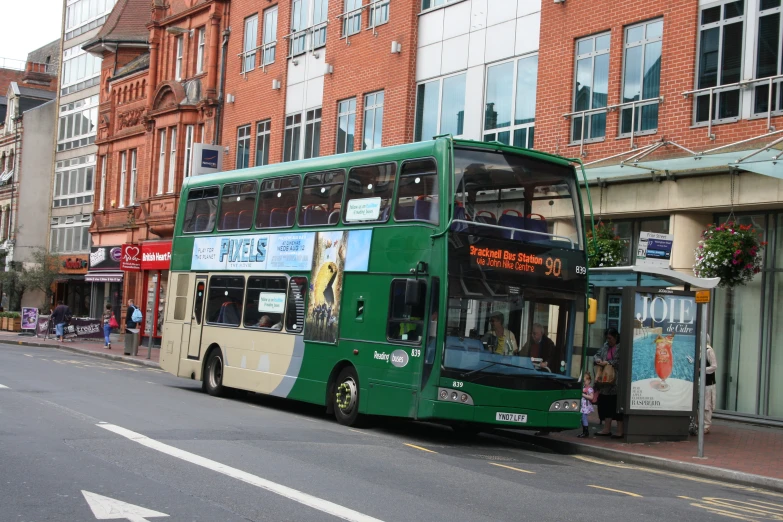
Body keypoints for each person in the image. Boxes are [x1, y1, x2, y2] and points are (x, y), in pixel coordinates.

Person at [594, 328, 623, 438]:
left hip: (616, 381)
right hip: (605, 380)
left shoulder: (621, 347)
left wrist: (609, 363)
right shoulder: (605, 346)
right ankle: (607, 429)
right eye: (607, 338)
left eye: (610, 338)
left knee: (616, 405)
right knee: (606, 404)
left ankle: (620, 430)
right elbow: (597, 354)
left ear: (615, 337)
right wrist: (598, 360)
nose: (608, 340)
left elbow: (621, 361)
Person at [704, 334, 718, 434]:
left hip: (708, 382)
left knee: (707, 404)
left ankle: (706, 425)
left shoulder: (709, 350)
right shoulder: (698, 350)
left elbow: (714, 366)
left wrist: (701, 370)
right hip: (700, 381)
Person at [578, 373, 595, 438]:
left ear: (589, 381)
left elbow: (591, 397)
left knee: (584, 418)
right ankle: (584, 431)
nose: (584, 383)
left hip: (586, 406)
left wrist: (583, 395)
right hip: (582, 405)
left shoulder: (589, 389)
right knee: (582, 418)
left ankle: (586, 432)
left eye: (584, 381)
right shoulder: (583, 387)